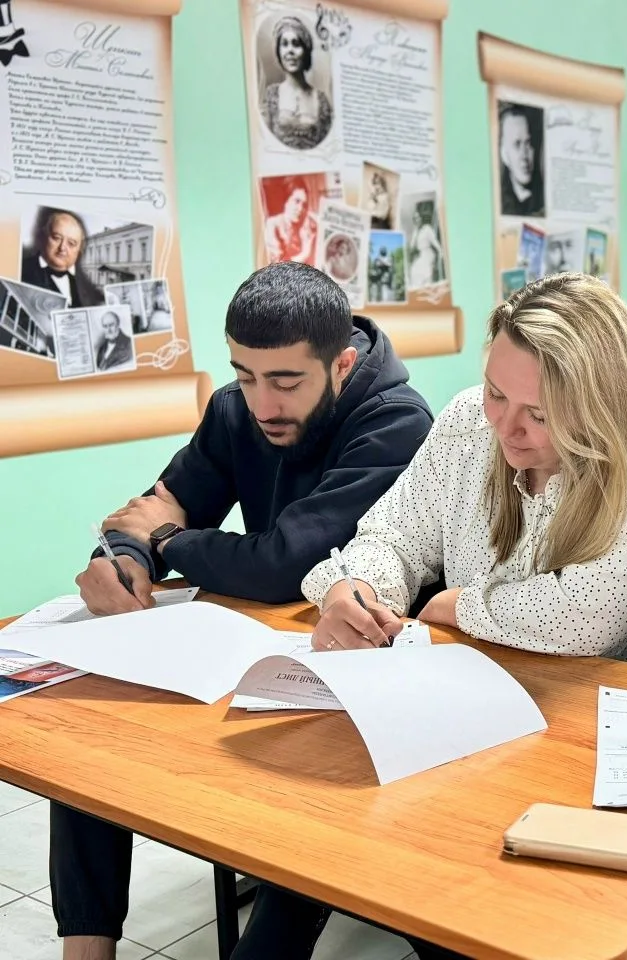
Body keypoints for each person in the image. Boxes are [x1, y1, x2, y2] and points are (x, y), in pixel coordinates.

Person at [228, 272, 627, 959]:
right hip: (466, 714)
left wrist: (460, 605)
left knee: (422, 876)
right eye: (495, 393)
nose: (506, 427)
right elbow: (391, 535)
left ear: (602, 404)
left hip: (586, 739)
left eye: (541, 413)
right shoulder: (466, 422)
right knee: (323, 828)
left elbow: (590, 616)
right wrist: (356, 587)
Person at [52, 262, 433, 960]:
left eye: (286, 381)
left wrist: (168, 540)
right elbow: (156, 505)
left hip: (358, 661)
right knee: (92, 726)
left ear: (342, 365)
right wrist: (125, 559)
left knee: (304, 817)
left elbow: (287, 564)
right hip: (251, 645)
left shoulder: (398, 422)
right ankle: (85, 947)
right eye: (245, 375)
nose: (261, 403)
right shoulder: (237, 408)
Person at [260, 15, 332, 151]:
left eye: (296, 44)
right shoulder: (271, 95)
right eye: (284, 44)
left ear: (305, 50)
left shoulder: (321, 100)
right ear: (278, 51)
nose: (290, 51)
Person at [21, 207, 104, 307]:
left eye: (71, 243)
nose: (62, 247)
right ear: (44, 237)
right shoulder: (20, 270)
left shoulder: (87, 286)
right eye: (57, 238)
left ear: (79, 250)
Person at [498, 102, 544, 218]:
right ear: (504, 154)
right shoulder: (500, 204)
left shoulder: (543, 199)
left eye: (528, 143)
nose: (524, 155)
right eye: (517, 144)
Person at [263, 180, 318, 265]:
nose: (300, 209)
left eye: (303, 205)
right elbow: (278, 267)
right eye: (296, 201)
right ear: (286, 201)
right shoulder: (272, 224)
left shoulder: (302, 225)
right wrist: (305, 253)